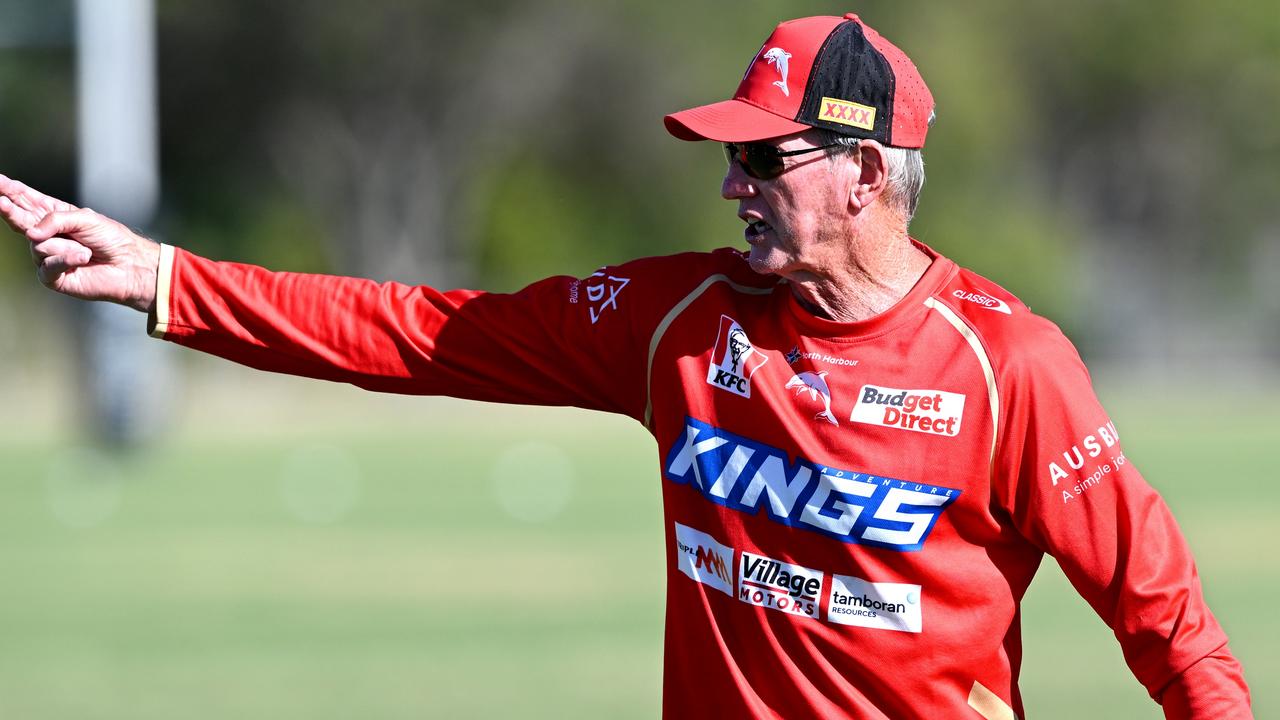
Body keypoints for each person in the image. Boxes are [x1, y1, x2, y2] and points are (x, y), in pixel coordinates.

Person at [0, 12, 1253, 720]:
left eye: (765, 161)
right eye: (730, 157)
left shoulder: (1006, 365)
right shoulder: (677, 318)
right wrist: (171, 280)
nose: (730, 186)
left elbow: (1172, 629)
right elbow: (421, 332)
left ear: (867, 176)